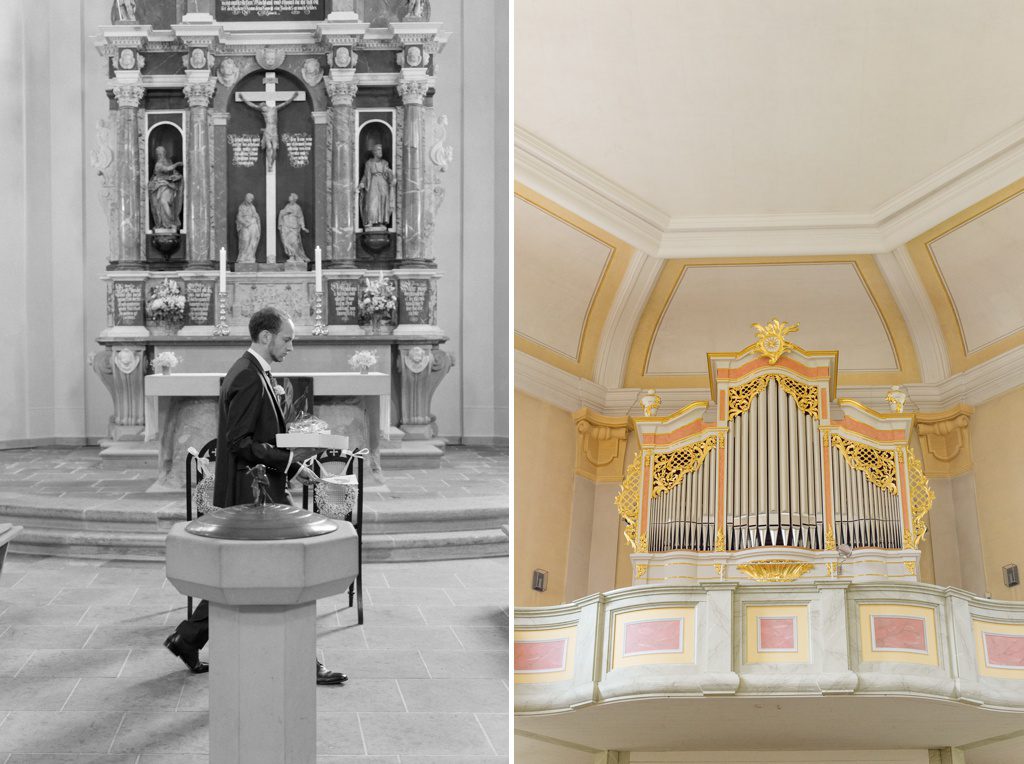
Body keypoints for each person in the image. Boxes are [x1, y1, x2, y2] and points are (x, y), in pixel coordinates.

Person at [164, 307, 347, 686]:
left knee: (246, 571)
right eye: (287, 339)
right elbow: (241, 443)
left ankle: (188, 637)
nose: (291, 347)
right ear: (265, 337)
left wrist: (294, 447)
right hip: (256, 492)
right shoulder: (248, 376)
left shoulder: (253, 372)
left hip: (259, 486)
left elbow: (254, 434)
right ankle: (303, 662)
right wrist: (291, 465)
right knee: (285, 571)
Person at [238, 91, 300, 172]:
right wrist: (243, 99)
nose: (262, 111)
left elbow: (285, 103)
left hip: (274, 132)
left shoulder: (274, 109)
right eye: (261, 110)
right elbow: (252, 105)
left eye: (262, 109)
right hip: (267, 131)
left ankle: (272, 162)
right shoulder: (263, 112)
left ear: (265, 106)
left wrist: (293, 97)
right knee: (269, 148)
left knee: (274, 148)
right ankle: (270, 165)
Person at [359, 144, 394, 229]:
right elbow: (365, 175)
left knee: (382, 202)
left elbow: (388, 174)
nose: (380, 152)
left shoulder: (385, 163)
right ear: (374, 152)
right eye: (378, 150)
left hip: (383, 183)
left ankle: (381, 222)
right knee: (372, 201)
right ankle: (370, 221)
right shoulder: (369, 163)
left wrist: (391, 175)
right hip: (373, 183)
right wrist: (362, 183)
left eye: (381, 150)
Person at [148, 146, 183, 231]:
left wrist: (177, 176)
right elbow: (168, 169)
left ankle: (171, 223)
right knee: (162, 202)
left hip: (169, 185)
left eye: (162, 153)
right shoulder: (158, 164)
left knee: (166, 202)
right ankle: (166, 224)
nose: (160, 155)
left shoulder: (169, 161)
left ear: (165, 153)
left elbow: (172, 171)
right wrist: (178, 164)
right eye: (158, 154)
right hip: (160, 186)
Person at [278, 193, 309, 262]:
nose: (289, 199)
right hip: (286, 227)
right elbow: (282, 214)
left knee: (295, 242)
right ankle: (291, 256)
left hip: (294, 227)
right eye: (290, 197)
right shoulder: (287, 206)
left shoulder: (297, 207)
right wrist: (285, 213)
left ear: (294, 199)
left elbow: (301, 217)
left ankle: (297, 256)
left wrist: (303, 227)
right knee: (287, 242)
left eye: (291, 198)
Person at [235, 193, 261, 262]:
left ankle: (250, 256)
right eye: (249, 198)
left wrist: (256, 218)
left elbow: (255, 215)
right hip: (245, 225)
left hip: (252, 225)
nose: (250, 200)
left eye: (251, 199)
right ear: (246, 198)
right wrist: (244, 223)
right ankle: (243, 256)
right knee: (245, 240)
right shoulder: (241, 207)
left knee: (252, 240)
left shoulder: (252, 207)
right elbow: (239, 217)